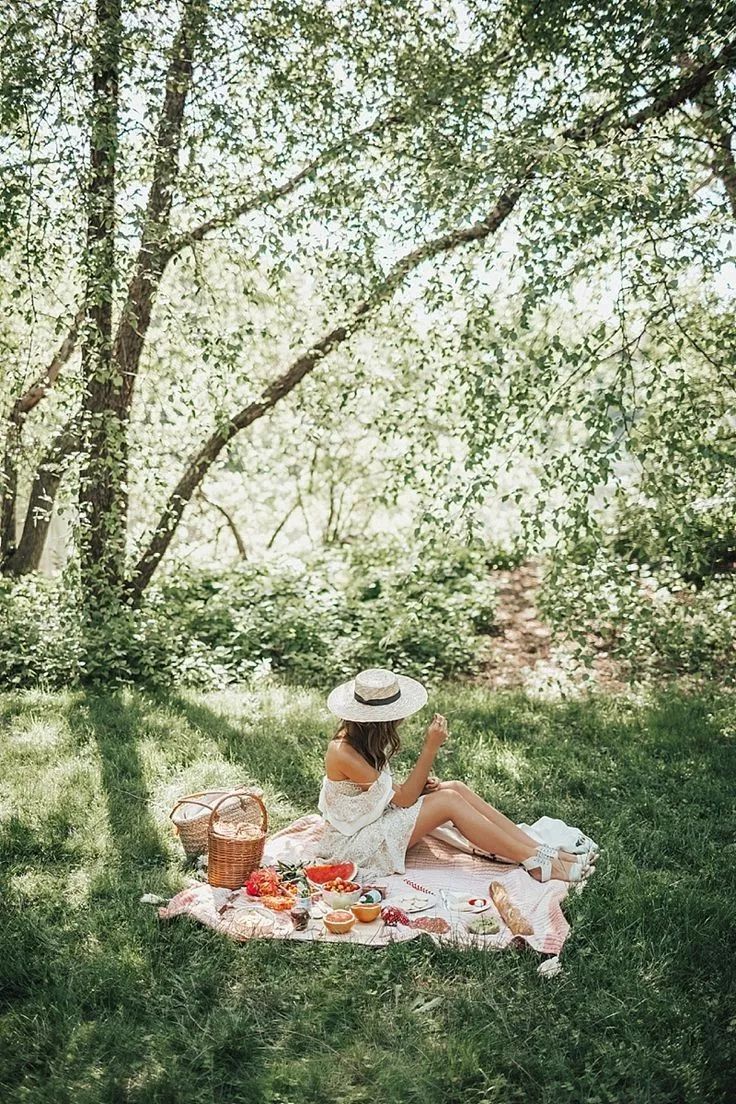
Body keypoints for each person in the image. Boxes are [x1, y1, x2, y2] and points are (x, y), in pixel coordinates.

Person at [318, 667, 594, 881]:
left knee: (453, 788)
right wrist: (431, 747)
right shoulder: (342, 751)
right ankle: (535, 862)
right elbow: (402, 800)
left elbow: (382, 794)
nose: (401, 719)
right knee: (448, 801)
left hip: (369, 824)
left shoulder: (362, 740)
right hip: (352, 845)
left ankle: (540, 850)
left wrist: (420, 789)